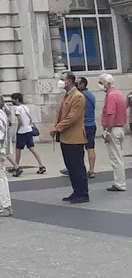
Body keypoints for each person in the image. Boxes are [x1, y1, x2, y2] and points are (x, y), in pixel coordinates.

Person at [54, 71, 89, 203]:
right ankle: (76, 191)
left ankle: (83, 193)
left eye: (63, 79)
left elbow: (72, 117)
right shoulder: (66, 96)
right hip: (65, 137)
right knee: (71, 167)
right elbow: (60, 113)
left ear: (69, 81)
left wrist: (58, 127)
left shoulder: (78, 96)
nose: (60, 81)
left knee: (77, 166)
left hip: (75, 138)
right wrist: (55, 125)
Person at [97, 74, 127, 192]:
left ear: (107, 83)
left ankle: (120, 183)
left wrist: (107, 132)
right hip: (119, 128)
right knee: (118, 156)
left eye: (101, 82)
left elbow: (111, 114)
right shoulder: (119, 94)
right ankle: (120, 181)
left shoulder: (111, 96)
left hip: (113, 129)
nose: (100, 85)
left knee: (115, 158)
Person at [8, 93, 44, 177]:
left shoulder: (18, 109)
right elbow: (30, 119)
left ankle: (16, 167)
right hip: (28, 130)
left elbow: (20, 121)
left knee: (18, 149)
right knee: (32, 148)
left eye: (13, 99)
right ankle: (41, 165)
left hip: (22, 132)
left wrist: (17, 130)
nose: (12, 101)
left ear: (17, 99)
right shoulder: (26, 107)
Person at [76, 77, 99, 179]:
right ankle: (92, 170)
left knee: (78, 149)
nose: (75, 86)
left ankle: (78, 169)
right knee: (90, 148)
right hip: (92, 124)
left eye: (77, 84)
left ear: (82, 85)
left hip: (83, 125)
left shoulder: (80, 96)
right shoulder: (91, 95)